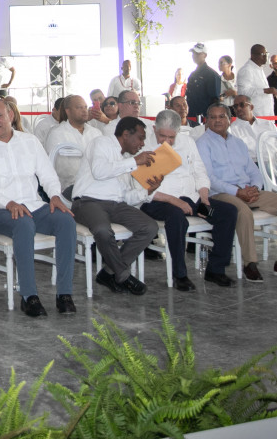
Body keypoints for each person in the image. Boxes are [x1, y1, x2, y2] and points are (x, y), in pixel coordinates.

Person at [0, 98, 77, 316]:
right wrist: (8, 203)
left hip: (34, 205)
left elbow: (47, 174)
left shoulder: (30, 141)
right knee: (24, 224)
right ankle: (29, 296)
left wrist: (55, 196)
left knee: (66, 220)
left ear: (10, 115)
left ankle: (64, 293)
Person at [197, 103, 277, 282]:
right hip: (220, 193)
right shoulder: (202, 144)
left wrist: (255, 188)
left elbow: (253, 171)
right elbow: (209, 178)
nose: (217, 121)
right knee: (243, 211)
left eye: (222, 116)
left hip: (247, 191)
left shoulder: (238, 143)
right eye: (213, 117)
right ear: (207, 120)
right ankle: (249, 263)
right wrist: (237, 192)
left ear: (229, 120)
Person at [141, 111, 237, 290]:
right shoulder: (143, 146)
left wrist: (204, 196)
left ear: (178, 132)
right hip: (158, 201)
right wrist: (175, 201)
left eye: (171, 137)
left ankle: (215, 269)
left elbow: (200, 171)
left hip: (191, 199)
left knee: (227, 212)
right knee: (177, 217)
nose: (167, 141)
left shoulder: (187, 142)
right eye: (162, 136)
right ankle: (180, 275)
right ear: (154, 129)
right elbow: (142, 188)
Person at [71, 117, 161, 296]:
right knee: (103, 230)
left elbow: (126, 196)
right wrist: (134, 162)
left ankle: (109, 272)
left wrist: (147, 191)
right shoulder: (101, 143)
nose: (142, 144)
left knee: (150, 227)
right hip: (88, 201)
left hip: (116, 205)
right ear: (126, 134)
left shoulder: (126, 158)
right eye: (140, 138)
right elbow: (100, 171)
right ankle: (123, 275)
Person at [45, 95, 102, 197]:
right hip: (71, 187)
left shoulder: (96, 133)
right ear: (68, 111)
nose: (84, 110)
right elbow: (61, 168)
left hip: (97, 184)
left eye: (85, 107)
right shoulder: (57, 133)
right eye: (79, 107)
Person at [235, 45, 276, 118]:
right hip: (256, 116)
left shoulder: (259, 68)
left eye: (266, 54)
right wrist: (265, 91)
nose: (265, 57)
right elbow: (243, 93)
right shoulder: (246, 70)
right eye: (263, 54)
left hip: (266, 114)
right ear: (253, 56)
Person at [185, 43, 221, 120]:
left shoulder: (211, 74)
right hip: (191, 115)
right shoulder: (192, 75)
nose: (195, 56)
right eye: (193, 53)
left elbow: (215, 100)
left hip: (205, 116)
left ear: (205, 55)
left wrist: (211, 118)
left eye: (198, 53)